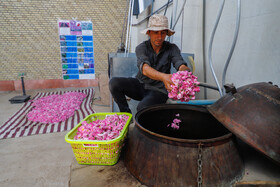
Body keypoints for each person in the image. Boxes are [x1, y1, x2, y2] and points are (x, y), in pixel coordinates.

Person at [109, 14, 190, 113]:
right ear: (149, 33)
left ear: (166, 34)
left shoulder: (172, 48)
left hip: (159, 90)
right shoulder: (141, 48)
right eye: (156, 33)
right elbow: (145, 69)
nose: (159, 37)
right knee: (114, 83)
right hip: (140, 85)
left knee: (142, 108)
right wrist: (164, 77)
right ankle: (126, 115)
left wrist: (185, 73)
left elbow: (180, 63)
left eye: (162, 33)